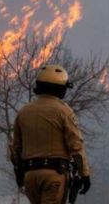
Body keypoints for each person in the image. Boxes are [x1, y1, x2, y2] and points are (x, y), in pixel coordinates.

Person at [11, 64, 91, 204]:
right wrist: (85, 174)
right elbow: (76, 146)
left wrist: (19, 173)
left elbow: (15, 148)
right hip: (54, 175)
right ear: (60, 89)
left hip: (30, 177)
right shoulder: (63, 111)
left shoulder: (23, 112)